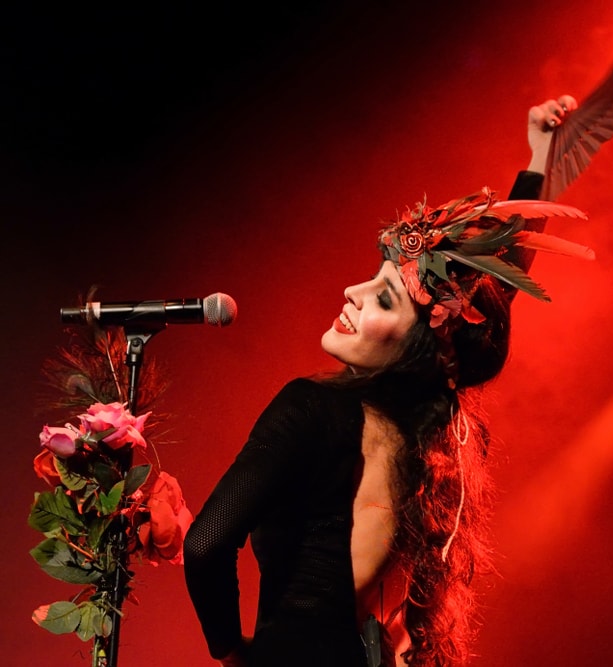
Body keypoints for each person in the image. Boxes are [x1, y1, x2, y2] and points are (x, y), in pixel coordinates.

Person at [183, 93, 584, 667]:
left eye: (384, 298)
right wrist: (539, 157)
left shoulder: (310, 408)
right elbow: (497, 282)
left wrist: (230, 650)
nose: (353, 292)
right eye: (372, 279)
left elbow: (205, 545)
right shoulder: (426, 440)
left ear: (417, 344)